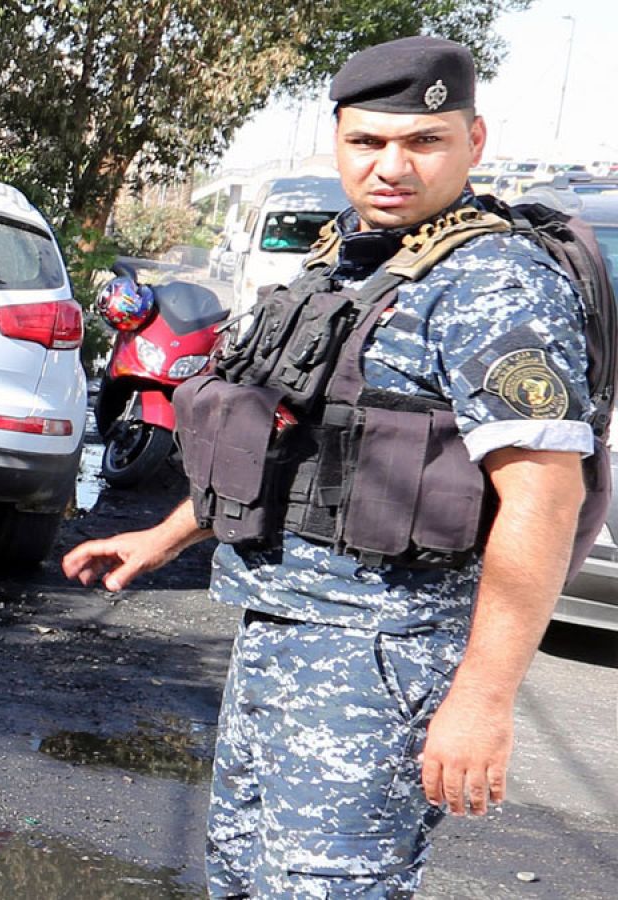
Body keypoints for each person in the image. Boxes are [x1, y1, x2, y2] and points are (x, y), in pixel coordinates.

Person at [62, 36, 596, 896]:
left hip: (381, 659)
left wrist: (486, 698)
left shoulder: (495, 283)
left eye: (423, 142)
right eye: (368, 142)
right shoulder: (348, 260)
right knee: (241, 877)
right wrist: (161, 538)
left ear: (474, 140)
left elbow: (543, 495)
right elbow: (288, 442)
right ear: (338, 139)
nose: (392, 166)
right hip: (279, 632)